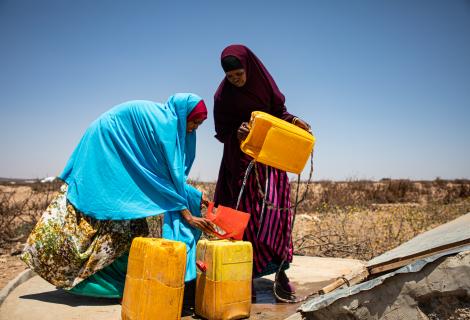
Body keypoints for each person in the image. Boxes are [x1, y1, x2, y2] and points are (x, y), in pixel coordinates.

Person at [21, 93, 214, 299]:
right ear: (183, 115)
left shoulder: (168, 124)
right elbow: (162, 180)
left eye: (199, 125)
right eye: (193, 122)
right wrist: (187, 215)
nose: (194, 128)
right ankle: (77, 274)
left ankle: (122, 279)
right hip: (106, 148)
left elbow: (167, 178)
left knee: (131, 224)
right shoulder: (164, 128)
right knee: (101, 217)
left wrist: (193, 195)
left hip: (116, 149)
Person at [213, 45, 310, 299]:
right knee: (246, 220)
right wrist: (237, 132)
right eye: (231, 77)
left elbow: (280, 114)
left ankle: (280, 274)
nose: (236, 80)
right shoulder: (222, 97)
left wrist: (295, 121)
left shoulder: (265, 85)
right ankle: (245, 279)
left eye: (240, 74)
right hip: (242, 165)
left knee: (277, 219)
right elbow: (222, 132)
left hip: (271, 162)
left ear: (249, 68)